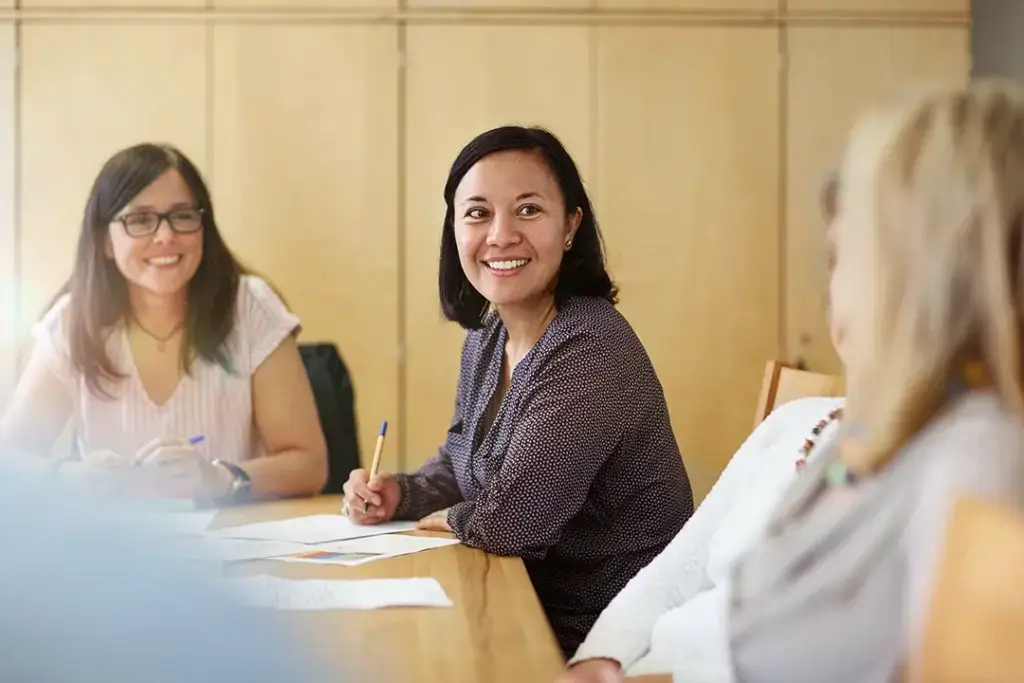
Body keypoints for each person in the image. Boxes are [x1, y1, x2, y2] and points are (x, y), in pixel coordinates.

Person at [342, 125, 694, 657]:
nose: (501, 235)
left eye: (528, 210)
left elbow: (513, 522)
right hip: (523, 603)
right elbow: (462, 463)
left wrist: (457, 518)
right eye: (478, 213)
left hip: (608, 637)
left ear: (571, 225)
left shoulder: (589, 350)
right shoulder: (489, 335)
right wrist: (400, 494)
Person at [728, 80, 1024, 683]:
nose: (830, 288)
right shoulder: (870, 432)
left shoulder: (979, 461)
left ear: (926, 263)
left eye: (849, 251)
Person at [558, 175, 847, 683]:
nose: (837, 293)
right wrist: (595, 659)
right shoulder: (799, 421)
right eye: (836, 263)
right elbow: (675, 572)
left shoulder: (945, 473)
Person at [0, 143, 328, 505]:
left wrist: (219, 477)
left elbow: (308, 464)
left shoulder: (251, 308)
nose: (165, 236)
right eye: (139, 220)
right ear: (105, 242)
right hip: (112, 548)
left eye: (182, 215)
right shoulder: (72, 322)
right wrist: (70, 478)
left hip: (235, 545)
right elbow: (10, 463)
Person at [0, 460, 332, 683]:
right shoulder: (64, 353)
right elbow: (18, 451)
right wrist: (65, 473)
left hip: (244, 544)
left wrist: (223, 476)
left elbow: (310, 466)